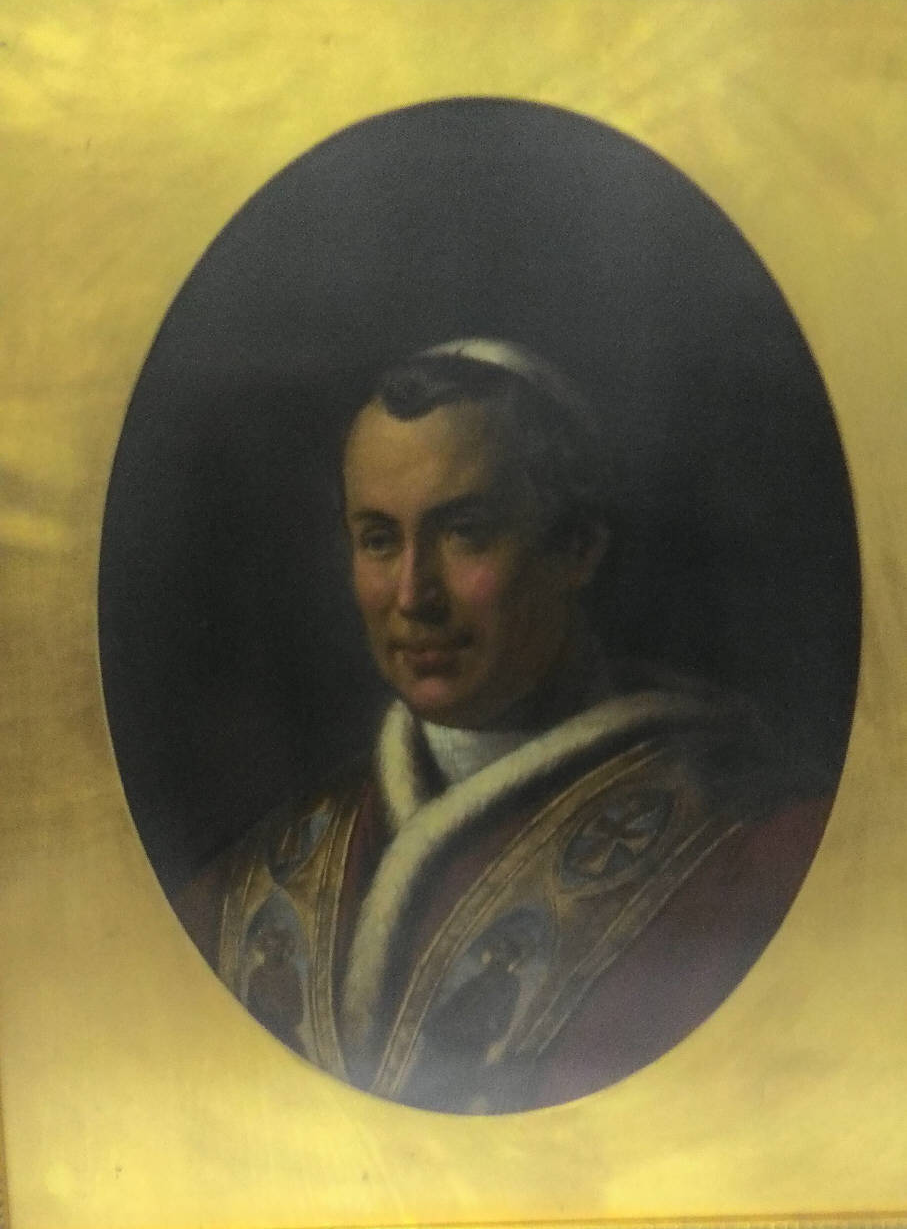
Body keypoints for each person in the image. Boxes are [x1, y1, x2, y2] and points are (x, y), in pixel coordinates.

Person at [177, 338, 831, 1114]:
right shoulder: (240, 891)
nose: (413, 595)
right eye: (379, 540)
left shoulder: (765, 856)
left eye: (466, 532)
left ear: (576, 549)